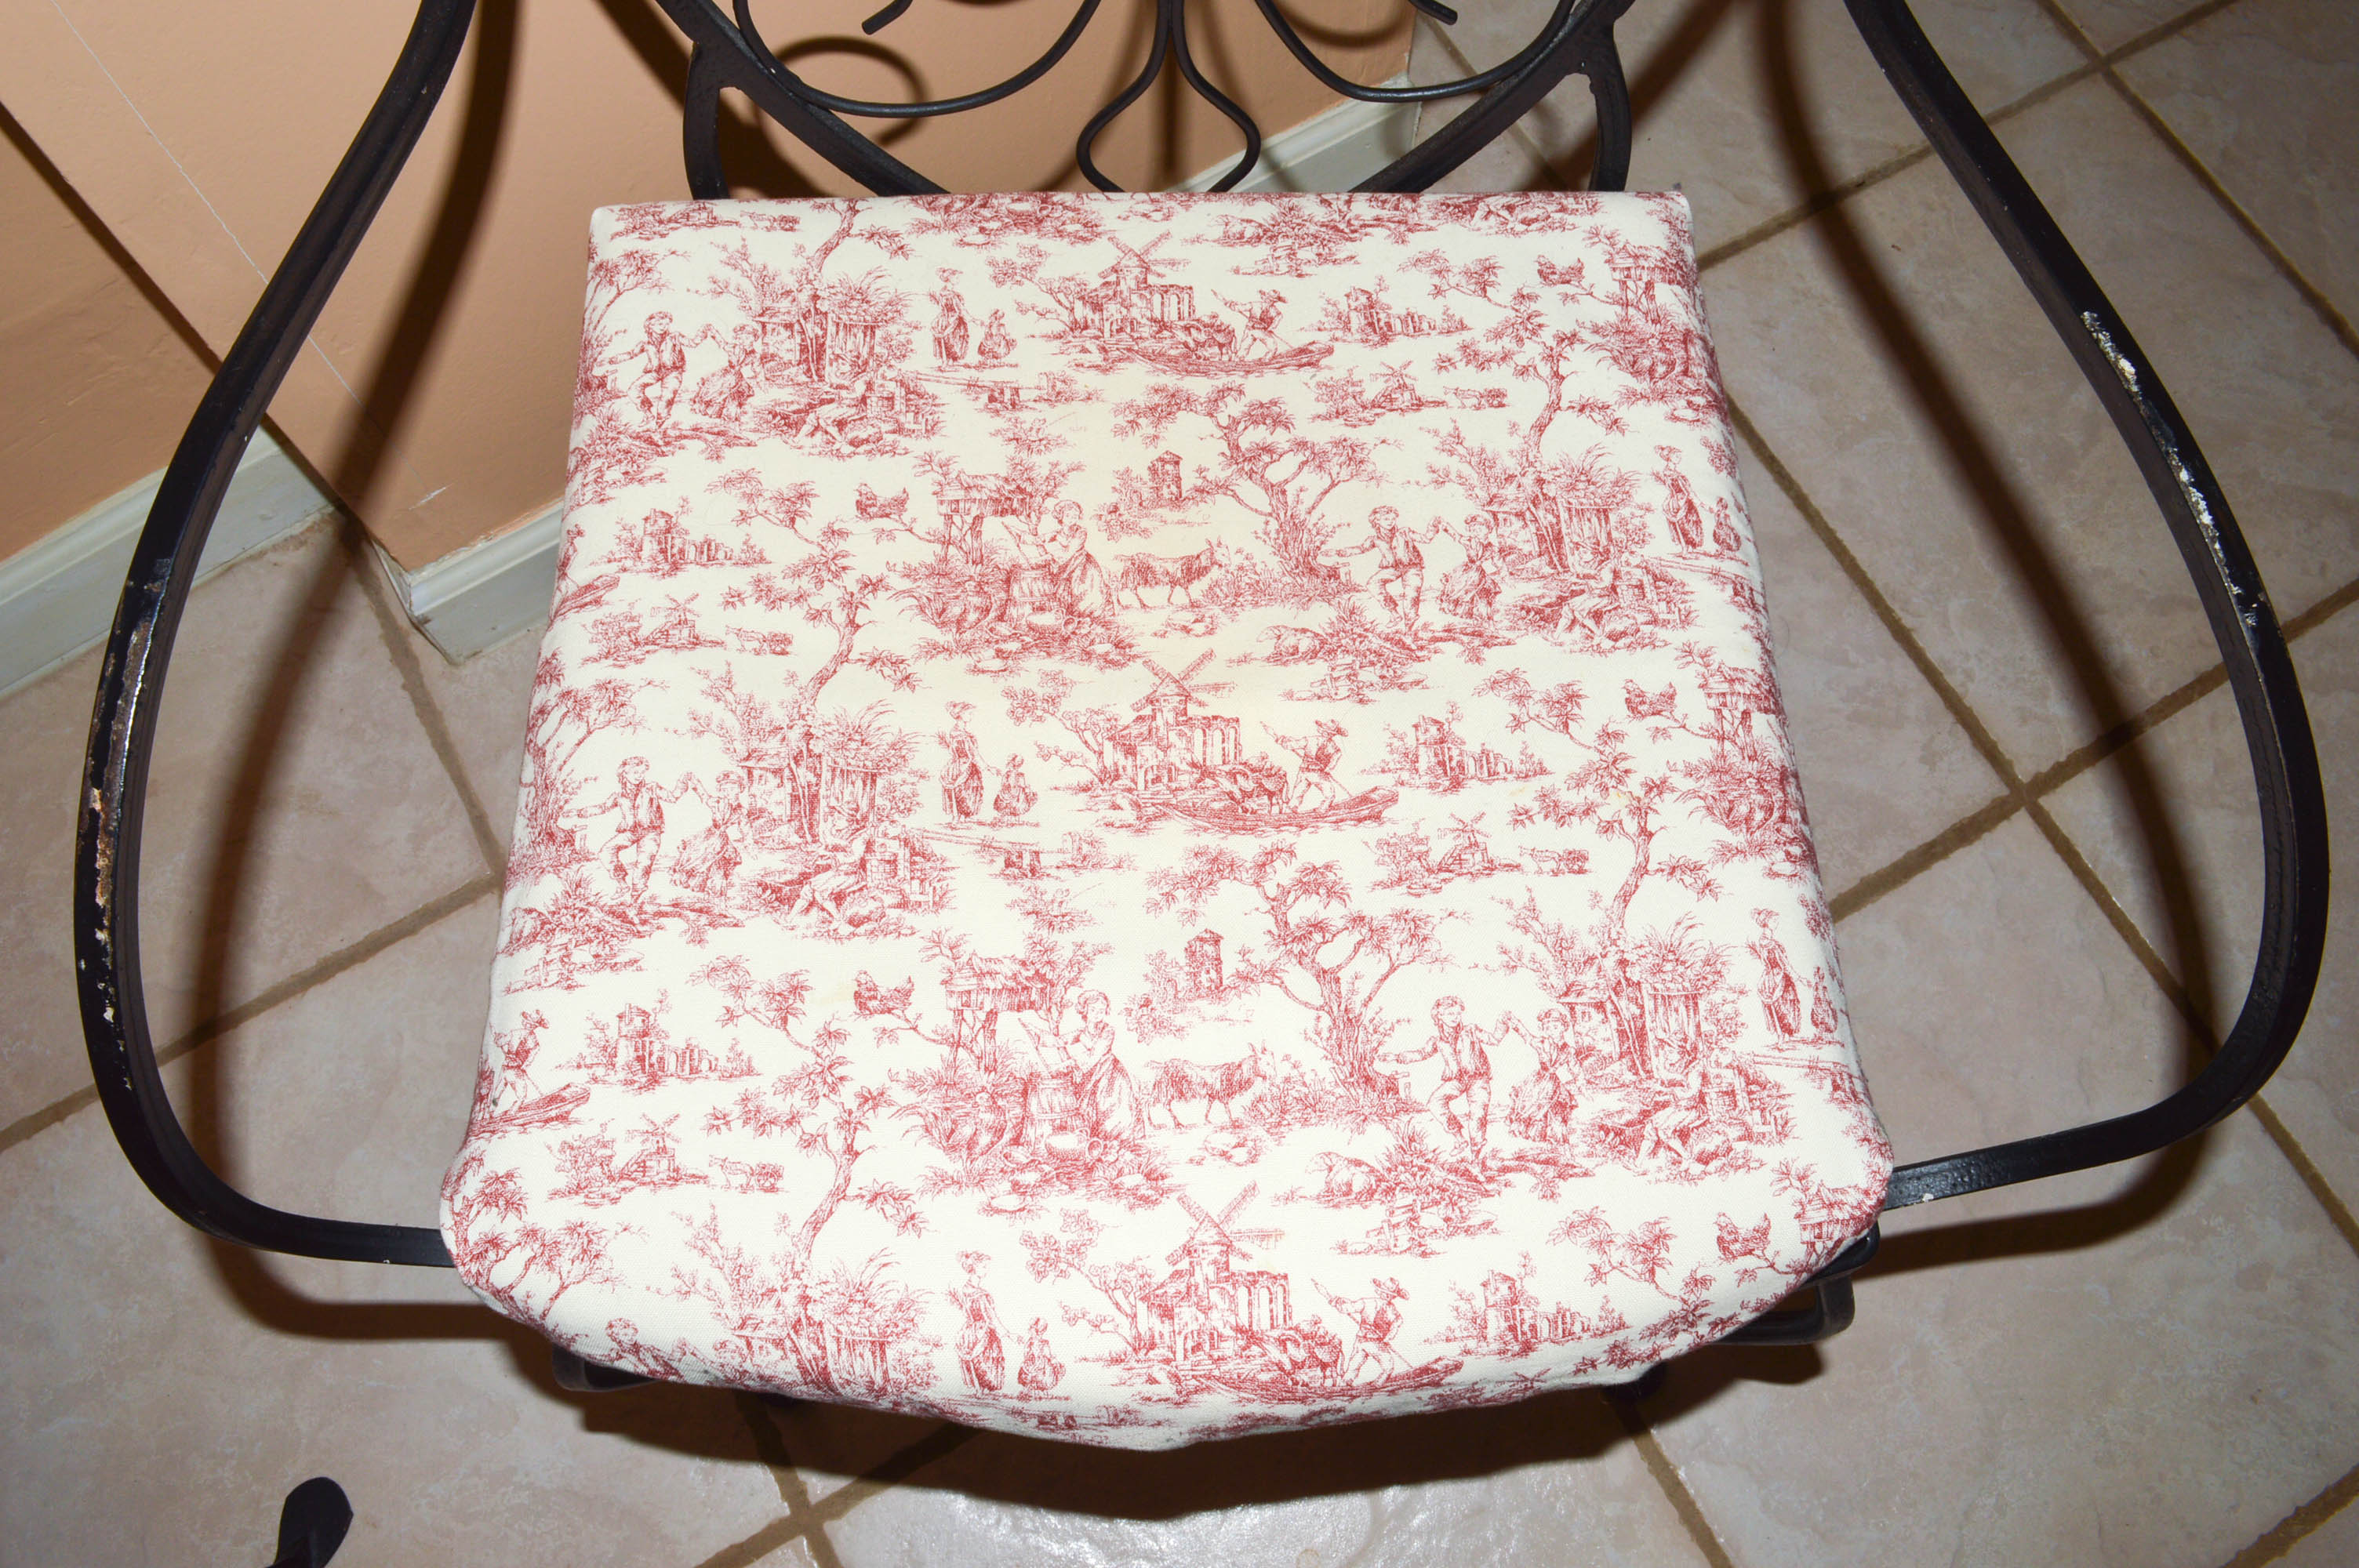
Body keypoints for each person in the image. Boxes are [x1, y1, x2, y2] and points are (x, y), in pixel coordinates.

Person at [573, 756, 687, 904]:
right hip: (630, 832)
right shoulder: (619, 795)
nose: (639, 776)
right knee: (606, 851)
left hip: (651, 832)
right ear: (625, 774)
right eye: (635, 772)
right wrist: (579, 812)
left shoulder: (651, 788)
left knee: (643, 864)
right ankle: (622, 885)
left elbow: (672, 797)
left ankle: (635, 901)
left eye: (642, 772)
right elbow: (603, 807)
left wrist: (682, 783)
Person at [1334, 506, 1434, 620]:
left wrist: (1433, 527)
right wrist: (1338, 552)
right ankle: (1394, 614)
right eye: (1386, 519)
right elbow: (1361, 549)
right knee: (1373, 584)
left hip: (1412, 567)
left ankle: (1409, 630)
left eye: (1393, 519)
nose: (1391, 522)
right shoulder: (1375, 539)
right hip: (1393, 569)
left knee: (1411, 594)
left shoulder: (1404, 532)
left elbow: (1426, 539)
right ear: (1377, 521)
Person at [602, 311, 689, 425]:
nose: (664, 327)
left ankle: (660, 424)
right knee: (633, 390)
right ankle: (648, 415)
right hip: (655, 372)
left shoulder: (675, 337)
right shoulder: (646, 343)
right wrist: (611, 360)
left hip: (673, 372)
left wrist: (704, 333)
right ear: (651, 326)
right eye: (660, 324)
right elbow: (631, 354)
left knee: (667, 397)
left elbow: (692, 343)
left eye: (666, 324)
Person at [672, 771, 750, 896]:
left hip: (721, 840)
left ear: (740, 789)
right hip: (708, 837)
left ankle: (715, 893)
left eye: (732, 789)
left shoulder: (741, 810)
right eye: (724, 790)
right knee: (698, 861)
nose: (728, 792)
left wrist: (749, 844)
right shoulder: (716, 803)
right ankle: (704, 890)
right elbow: (703, 794)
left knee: (720, 864)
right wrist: (694, 781)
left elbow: (745, 828)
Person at [950, 1253, 1006, 1394]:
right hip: (982, 1330)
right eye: (984, 1266)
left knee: (979, 1359)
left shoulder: (965, 1289)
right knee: (984, 1359)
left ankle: (979, 1389)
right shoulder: (980, 1294)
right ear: (974, 1267)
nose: (986, 1270)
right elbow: (991, 1317)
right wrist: (1007, 1333)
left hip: (970, 1329)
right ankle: (980, 1389)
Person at [1273, 720, 1347, 812]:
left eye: (1329, 733)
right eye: (1327, 732)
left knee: (1299, 795)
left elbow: (1292, 745)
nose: (1327, 734)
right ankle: (1296, 812)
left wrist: (1283, 742)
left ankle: (1296, 811)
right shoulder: (1317, 742)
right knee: (1328, 795)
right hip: (1310, 773)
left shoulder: (1328, 746)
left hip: (1313, 773)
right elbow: (1291, 745)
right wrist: (1284, 741)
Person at [941, 730, 987, 821]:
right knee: (959, 793)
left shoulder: (967, 739)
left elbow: (973, 755)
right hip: (960, 767)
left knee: (968, 794)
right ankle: (957, 817)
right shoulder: (961, 741)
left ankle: (964, 817)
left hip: (968, 769)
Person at [1016, 1319, 1064, 1395]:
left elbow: (1048, 1354)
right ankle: (1029, 1392)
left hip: (1040, 1365)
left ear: (1039, 1332)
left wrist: (1053, 1360)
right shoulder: (1030, 1342)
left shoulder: (1044, 1343)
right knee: (1029, 1377)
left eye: (1031, 1329)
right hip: (1031, 1364)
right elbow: (1026, 1352)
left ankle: (1041, 1393)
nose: (1029, 1330)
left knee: (1040, 1378)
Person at [993, 755, 1036, 820]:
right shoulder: (1007, 774)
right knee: (1006, 806)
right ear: (1013, 762)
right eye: (1018, 761)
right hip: (1008, 791)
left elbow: (1023, 784)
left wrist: (1027, 788)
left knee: (1017, 806)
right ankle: (1006, 819)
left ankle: (1016, 820)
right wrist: (1007, 785)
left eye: (1021, 762)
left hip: (1018, 792)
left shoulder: (1021, 775)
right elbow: (1003, 783)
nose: (1019, 763)